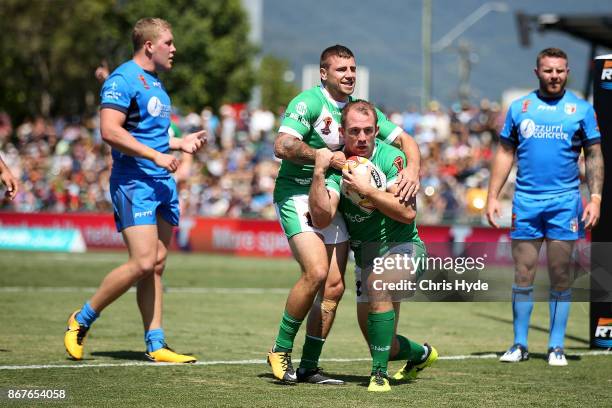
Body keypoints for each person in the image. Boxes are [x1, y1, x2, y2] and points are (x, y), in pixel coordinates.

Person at [268, 45, 422, 384]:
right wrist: (323, 157)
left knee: (334, 287)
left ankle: (309, 366)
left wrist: (413, 169)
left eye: (352, 68)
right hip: (297, 192)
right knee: (317, 270)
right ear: (324, 73)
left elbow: (406, 140)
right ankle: (279, 350)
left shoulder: (360, 112)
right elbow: (282, 146)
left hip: (332, 193)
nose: (349, 74)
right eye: (341, 69)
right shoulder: (308, 103)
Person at [64, 18, 206, 362]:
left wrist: (178, 143)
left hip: (161, 182)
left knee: (156, 264)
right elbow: (110, 131)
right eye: (169, 43)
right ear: (149, 46)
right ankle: (80, 320)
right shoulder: (123, 79)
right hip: (134, 181)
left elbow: (149, 136)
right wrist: (158, 155)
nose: (174, 49)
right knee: (142, 261)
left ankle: (156, 343)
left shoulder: (155, 83)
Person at [308, 100, 437, 392]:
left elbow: (406, 212)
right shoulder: (337, 164)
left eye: (368, 131)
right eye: (354, 131)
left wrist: (367, 191)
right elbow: (322, 215)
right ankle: (422, 355)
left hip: (405, 248)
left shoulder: (392, 159)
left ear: (377, 130)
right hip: (366, 259)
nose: (362, 138)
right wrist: (318, 173)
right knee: (386, 345)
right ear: (342, 131)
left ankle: (378, 377)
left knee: (379, 283)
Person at [486, 48, 603, 366]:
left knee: (560, 273)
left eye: (560, 70)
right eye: (548, 70)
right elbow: (504, 153)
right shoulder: (520, 108)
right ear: (537, 72)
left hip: (565, 204)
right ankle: (520, 344)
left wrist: (595, 198)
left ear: (568, 72)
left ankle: (556, 346)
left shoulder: (581, 110)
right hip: (526, 203)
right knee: (523, 273)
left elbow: (593, 155)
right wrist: (492, 196)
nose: (554, 75)